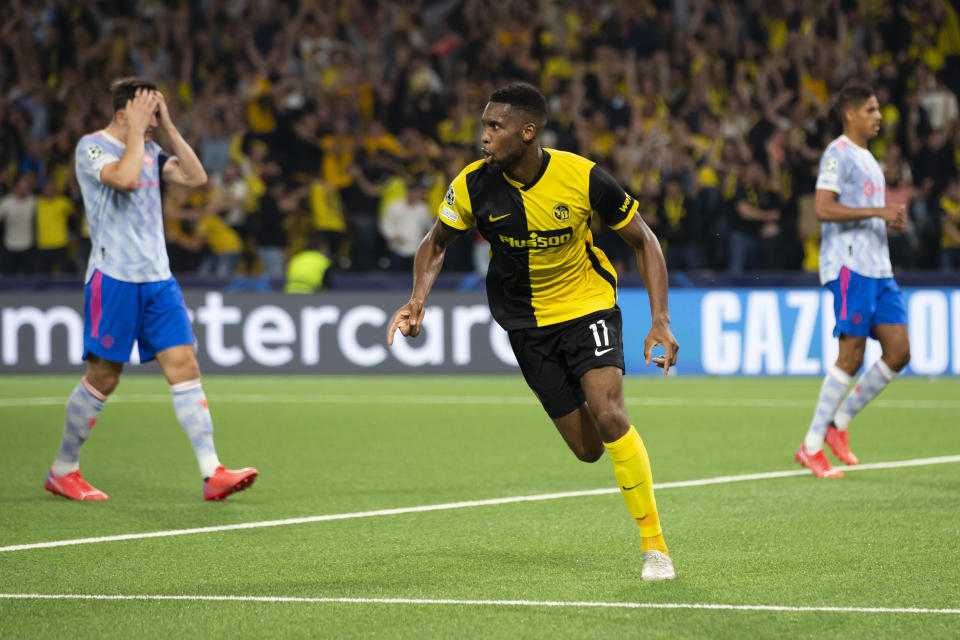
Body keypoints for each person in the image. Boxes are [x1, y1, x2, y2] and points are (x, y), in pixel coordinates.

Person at [387, 83, 679, 581]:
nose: (483, 137)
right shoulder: (473, 185)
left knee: (610, 415)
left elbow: (644, 240)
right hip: (525, 324)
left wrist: (660, 320)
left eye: (494, 127)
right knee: (588, 450)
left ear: (527, 132)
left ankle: (655, 545)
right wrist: (417, 301)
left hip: (588, 305)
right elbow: (436, 244)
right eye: (483, 126)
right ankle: (625, 469)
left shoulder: (583, 178)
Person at [46, 77, 257, 501]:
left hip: (159, 279)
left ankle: (211, 472)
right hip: (114, 277)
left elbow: (196, 178)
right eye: (146, 110)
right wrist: (139, 134)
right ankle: (63, 469)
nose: (151, 119)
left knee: (185, 366)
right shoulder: (92, 146)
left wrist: (169, 129)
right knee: (104, 377)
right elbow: (124, 179)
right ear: (122, 112)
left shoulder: (153, 147)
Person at [796, 85, 910, 478]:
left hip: (880, 269)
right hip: (850, 267)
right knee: (851, 355)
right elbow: (823, 209)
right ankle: (811, 445)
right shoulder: (838, 153)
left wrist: (887, 219)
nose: (879, 115)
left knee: (899, 352)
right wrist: (880, 210)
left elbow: (861, 214)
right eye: (871, 108)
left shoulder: (869, 160)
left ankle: (838, 424)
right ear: (850, 114)